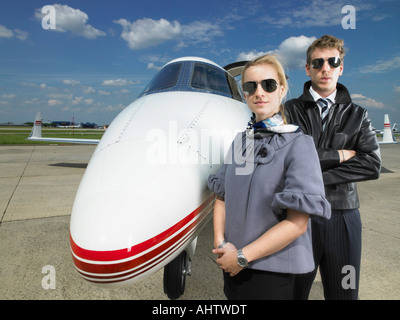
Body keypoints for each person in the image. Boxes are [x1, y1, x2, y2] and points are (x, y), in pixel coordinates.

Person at [207, 54, 331, 300]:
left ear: (282, 89)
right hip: (233, 266)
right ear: (244, 94)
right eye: (250, 87)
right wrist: (222, 246)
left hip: (272, 273)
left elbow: (297, 223)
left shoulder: (299, 144)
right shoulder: (242, 142)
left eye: (268, 85)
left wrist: (243, 257)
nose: (259, 92)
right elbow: (223, 197)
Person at [285, 35, 381, 300]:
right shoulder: (289, 111)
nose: (325, 68)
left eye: (332, 61)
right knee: (291, 293)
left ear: (341, 67)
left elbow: (371, 164)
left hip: (343, 215)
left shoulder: (358, 114)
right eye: (317, 62)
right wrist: (339, 154)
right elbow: (288, 158)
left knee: (344, 294)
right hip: (298, 215)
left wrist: (312, 170)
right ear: (308, 68)